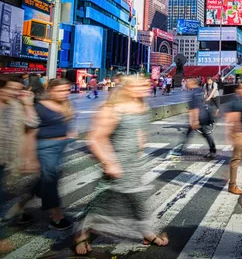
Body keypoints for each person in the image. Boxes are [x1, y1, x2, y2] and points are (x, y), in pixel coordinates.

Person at [74, 77, 168, 254]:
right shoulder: (113, 108)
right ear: (127, 88)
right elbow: (96, 138)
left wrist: (140, 145)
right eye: (140, 85)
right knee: (103, 201)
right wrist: (109, 163)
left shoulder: (143, 106)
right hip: (116, 162)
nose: (146, 87)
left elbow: (140, 129)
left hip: (133, 162)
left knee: (137, 198)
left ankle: (146, 231)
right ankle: (81, 234)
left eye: (146, 85)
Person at [20, 78, 75, 230]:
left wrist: (68, 132)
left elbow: (63, 123)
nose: (65, 93)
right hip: (45, 148)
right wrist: (29, 157)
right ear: (50, 90)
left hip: (60, 147)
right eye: (60, 91)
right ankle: (56, 217)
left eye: (67, 90)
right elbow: (30, 133)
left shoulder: (65, 104)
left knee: (45, 180)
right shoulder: (39, 107)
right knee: (50, 180)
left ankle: (19, 206)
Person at [0, 76, 38, 254]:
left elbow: (32, 123)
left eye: (18, 89)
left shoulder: (15, 105)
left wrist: (28, 104)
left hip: (5, 160)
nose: (16, 93)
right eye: (12, 89)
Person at [173, 78, 216, 158]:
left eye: (188, 82)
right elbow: (203, 101)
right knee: (204, 134)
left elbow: (195, 108)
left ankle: (179, 150)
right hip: (204, 115)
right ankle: (212, 150)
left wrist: (194, 120)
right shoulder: (201, 90)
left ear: (193, 82)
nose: (186, 84)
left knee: (199, 133)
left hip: (198, 117)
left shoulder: (193, 93)